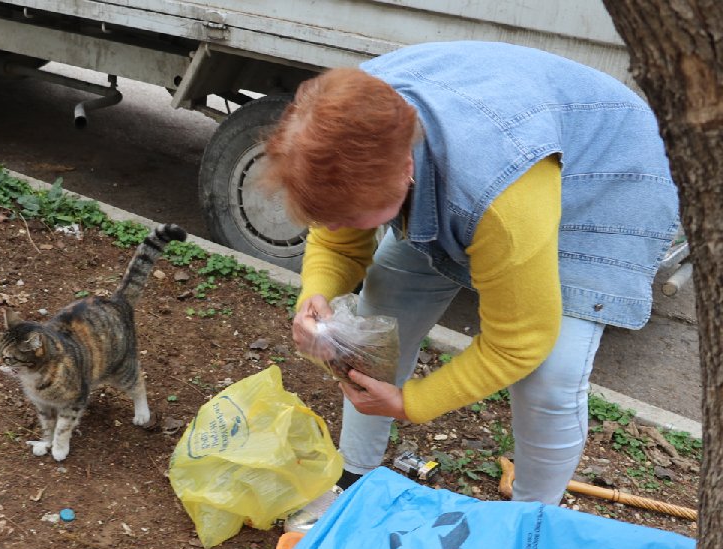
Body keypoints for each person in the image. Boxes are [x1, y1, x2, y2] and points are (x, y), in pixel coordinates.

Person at [261, 41, 679, 505]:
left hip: (604, 174)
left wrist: (412, 404)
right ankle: (355, 476)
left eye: (350, 214)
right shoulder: (353, 122)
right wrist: (316, 293)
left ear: (404, 171)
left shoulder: (499, 200)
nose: (334, 227)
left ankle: (530, 521)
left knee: (550, 376)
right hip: (493, 153)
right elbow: (337, 238)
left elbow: (520, 341)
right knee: (378, 312)